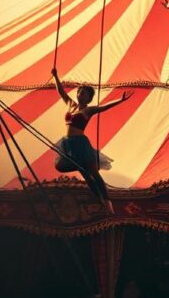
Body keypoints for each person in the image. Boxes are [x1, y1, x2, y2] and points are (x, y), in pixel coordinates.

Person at [51, 68, 130, 211]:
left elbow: (104, 107)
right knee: (62, 166)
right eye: (80, 92)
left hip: (80, 144)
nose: (80, 94)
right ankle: (101, 200)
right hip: (68, 144)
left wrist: (120, 100)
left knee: (92, 174)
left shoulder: (88, 110)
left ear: (88, 98)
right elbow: (61, 92)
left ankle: (107, 201)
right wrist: (55, 76)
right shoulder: (71, 105)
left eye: (84, 93)